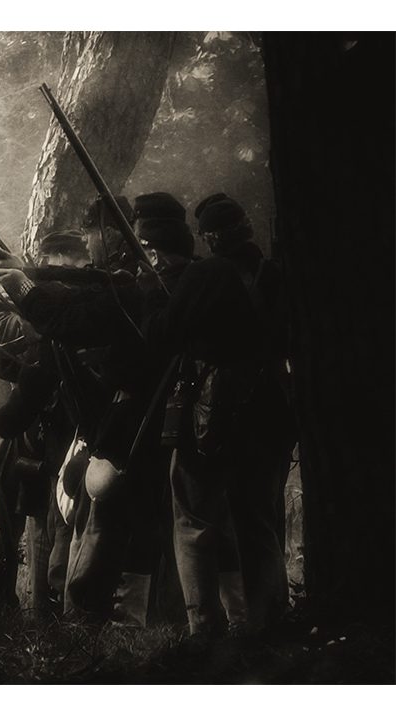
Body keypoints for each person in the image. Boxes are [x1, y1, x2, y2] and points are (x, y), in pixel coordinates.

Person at [0, 195, 183, 625]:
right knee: (102, 524)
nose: (89, 242)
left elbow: (74, 319)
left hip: (131, 426)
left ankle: (113, 621)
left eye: (92, 233)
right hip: (126, 424)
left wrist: (25, 290)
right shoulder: (130, 282)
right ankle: (108, 618)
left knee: (113, 527)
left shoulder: (132, 287)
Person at [141, 193, 263, 637]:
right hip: (259, 412)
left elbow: (162, 334)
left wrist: (152, 294)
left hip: (212, 410)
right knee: (245, 518)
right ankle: (253, 620)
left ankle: (203, 626)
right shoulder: (263, 273)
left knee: (191, 519)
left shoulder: (207, 273)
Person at [0, 229, 92, 617]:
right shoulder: (28, 295)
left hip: (66, 421)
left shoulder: (73, 297)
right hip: (26, 417)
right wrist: (30, 311)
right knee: (1, 509)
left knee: (53, 515)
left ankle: (49, 608)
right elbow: (2, 340)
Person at [193, 193, 294, 630]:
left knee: (250, 517)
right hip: (276, 408)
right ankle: (270, 609)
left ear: (215, 236)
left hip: (239, 410)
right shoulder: (275, 274)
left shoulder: (217, 277)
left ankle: (264, 618)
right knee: (264, 515)